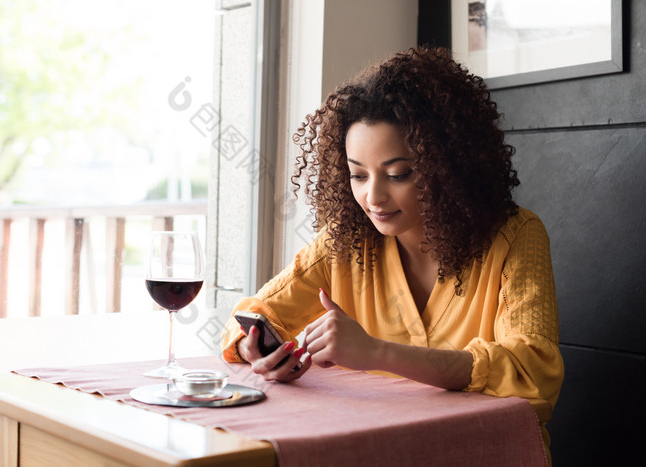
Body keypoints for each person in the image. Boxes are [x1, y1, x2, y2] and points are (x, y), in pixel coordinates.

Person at [220, 47, 564, 458]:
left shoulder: (515, 236)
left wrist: (376, 353)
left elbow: (533, 369)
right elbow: (254, 316)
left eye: (398, 174)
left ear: (448, 165)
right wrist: (256, 348)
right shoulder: (344, 242)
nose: (373, 197)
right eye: (357, 175)